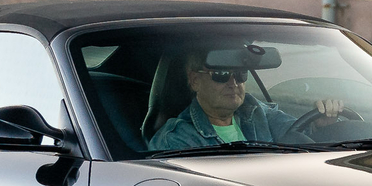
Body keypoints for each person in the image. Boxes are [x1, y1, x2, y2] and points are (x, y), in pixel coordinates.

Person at [147, 54, 344, 151]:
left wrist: (319, 125)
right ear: (195, 80)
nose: (233, 83)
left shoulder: (256, 109)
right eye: (221, 75)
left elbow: (295, 134)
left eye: (240, 74)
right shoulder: (176, 139)